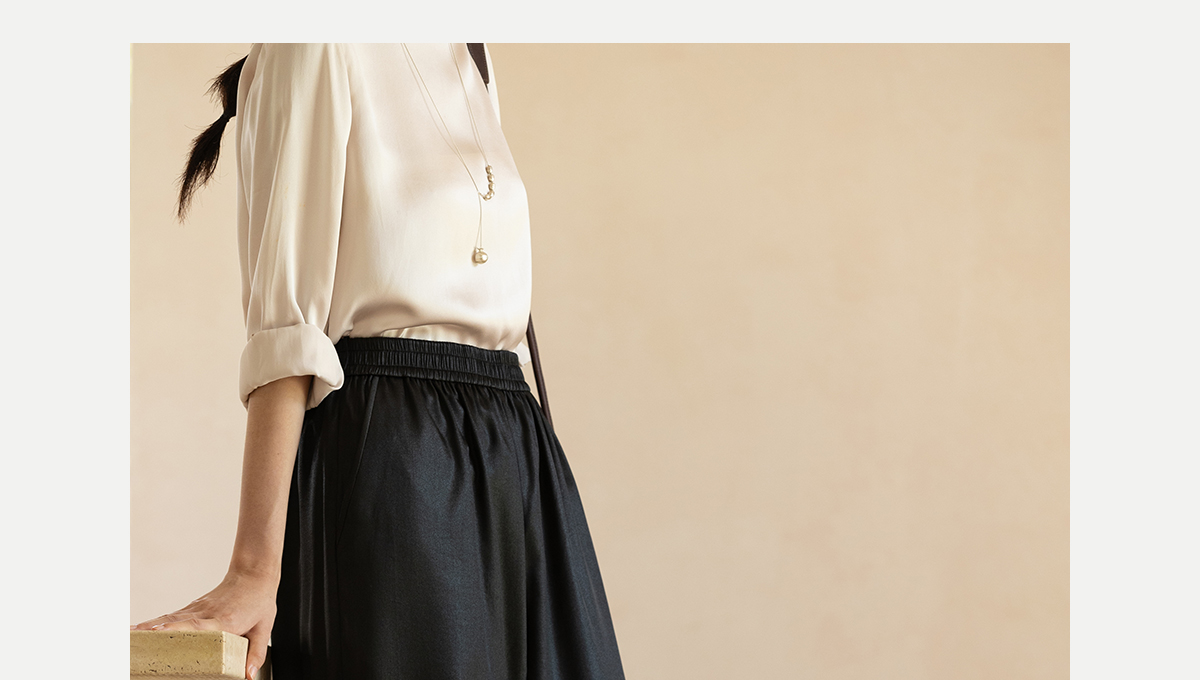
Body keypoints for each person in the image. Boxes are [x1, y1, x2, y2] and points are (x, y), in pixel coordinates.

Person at [131, 43, 626, 680]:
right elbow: (288, 329)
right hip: (397, 454)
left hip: (515, 448)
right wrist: (254, 568)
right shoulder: (317, 40)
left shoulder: (471, 52)